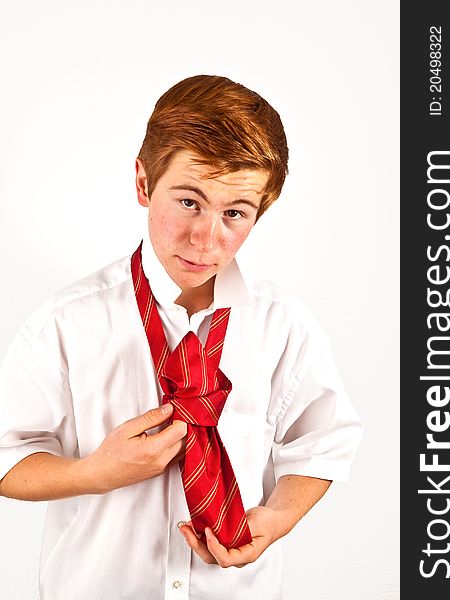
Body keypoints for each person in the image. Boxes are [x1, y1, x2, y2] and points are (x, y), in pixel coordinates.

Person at [0, 74, 362, 600]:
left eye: (235, 213)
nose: (206, 238)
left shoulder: (283, 324)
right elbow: (7, 458)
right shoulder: (67, 322)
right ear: (144, 183)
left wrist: (279, 518)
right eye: (189, 202)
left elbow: (324, 443)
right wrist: (96, 473)